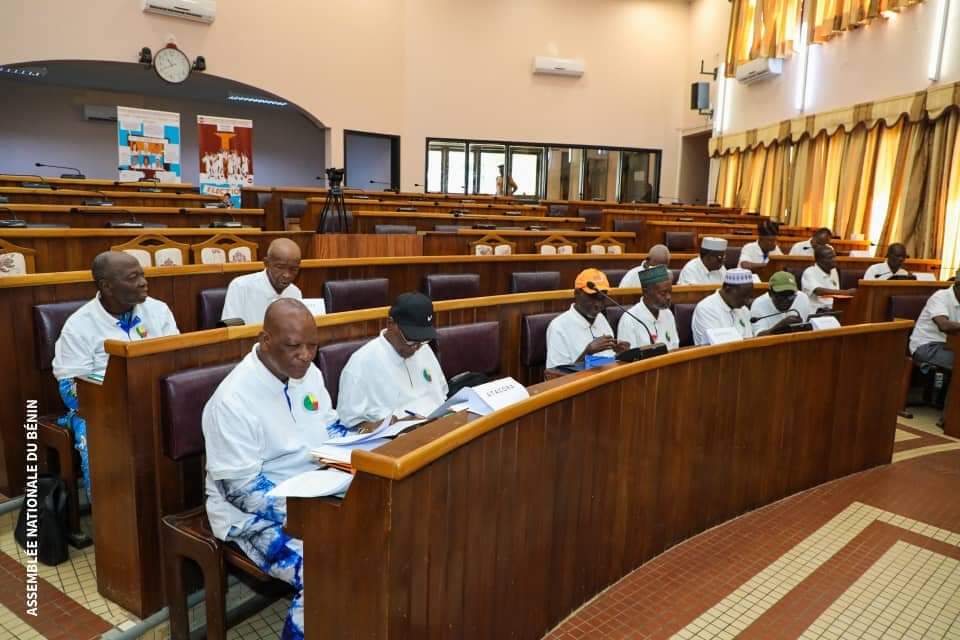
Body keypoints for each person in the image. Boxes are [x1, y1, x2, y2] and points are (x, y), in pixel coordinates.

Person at [203, 299, 343, 640]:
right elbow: (242, 491)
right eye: (294, 346)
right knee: (327, 568)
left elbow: (332, 431)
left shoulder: (309, 375)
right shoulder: (232, 400)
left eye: (313, 346)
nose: (306, 356)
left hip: (315, 491)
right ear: (265, 340)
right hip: (250, 517)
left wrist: (365, 455)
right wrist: (317, 514)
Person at [52, 251, 180, 500]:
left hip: (155, 398)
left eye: (142, 275)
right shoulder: (78, 325)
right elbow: (69, 386)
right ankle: (110, 522)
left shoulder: (158, 310)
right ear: (107, 286)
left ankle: (172, 504)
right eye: (133, 278)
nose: (143, 282)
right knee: (97, 438)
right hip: (99, 409)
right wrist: (113, 404)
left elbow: (175, 358)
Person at [336, 292, 448, 432]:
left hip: (439, 430)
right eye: (411, 338)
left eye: (423, 339)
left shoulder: (423, 348)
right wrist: (391, 426)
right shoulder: (360, 364)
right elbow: (350, 426)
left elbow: (442, 394)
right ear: (390, 323)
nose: (416, 347)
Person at [545, 269, 629, 368]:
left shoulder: (601, 318)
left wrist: (620, 354)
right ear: (576, 293)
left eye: (602, 298)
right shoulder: (558, 327)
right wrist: (588, 352)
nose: (598, 305)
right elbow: (556, 376)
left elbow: (608, 361)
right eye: (592, 297)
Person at [221, 238, 303, 325]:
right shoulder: (240, 286)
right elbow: (230, 331)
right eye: (280, 267)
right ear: (266, 263)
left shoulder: (295, 293)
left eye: (293, 269)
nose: (287, 275)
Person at [617, 265, 679, 351]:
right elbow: (627, 359)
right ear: (646, 292)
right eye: (663, 293)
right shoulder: (629, 319)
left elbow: (675, 348)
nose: (668, 297)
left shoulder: (668, 314)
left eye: (670, 292)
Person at [691, 268, 754, 345]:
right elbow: (715, 347)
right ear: (728, 289)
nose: (747, 301)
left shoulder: (743, 309)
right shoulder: (706, 309)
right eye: (743, 296)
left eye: (749, 296)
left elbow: (749, 340)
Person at [909, 275, 960, 371]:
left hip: (951, 345)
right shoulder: (940, 296)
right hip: (927, 346)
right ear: (958, 284)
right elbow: (943, 325)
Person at [802, 244, 855, 310]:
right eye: (830, 257)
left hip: (835, 308)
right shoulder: (809, 272)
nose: (834, 260)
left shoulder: (833, 271)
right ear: (819, 260)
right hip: (817, 310)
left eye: (834, 256)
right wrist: (846, 293)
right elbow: (819, 291)